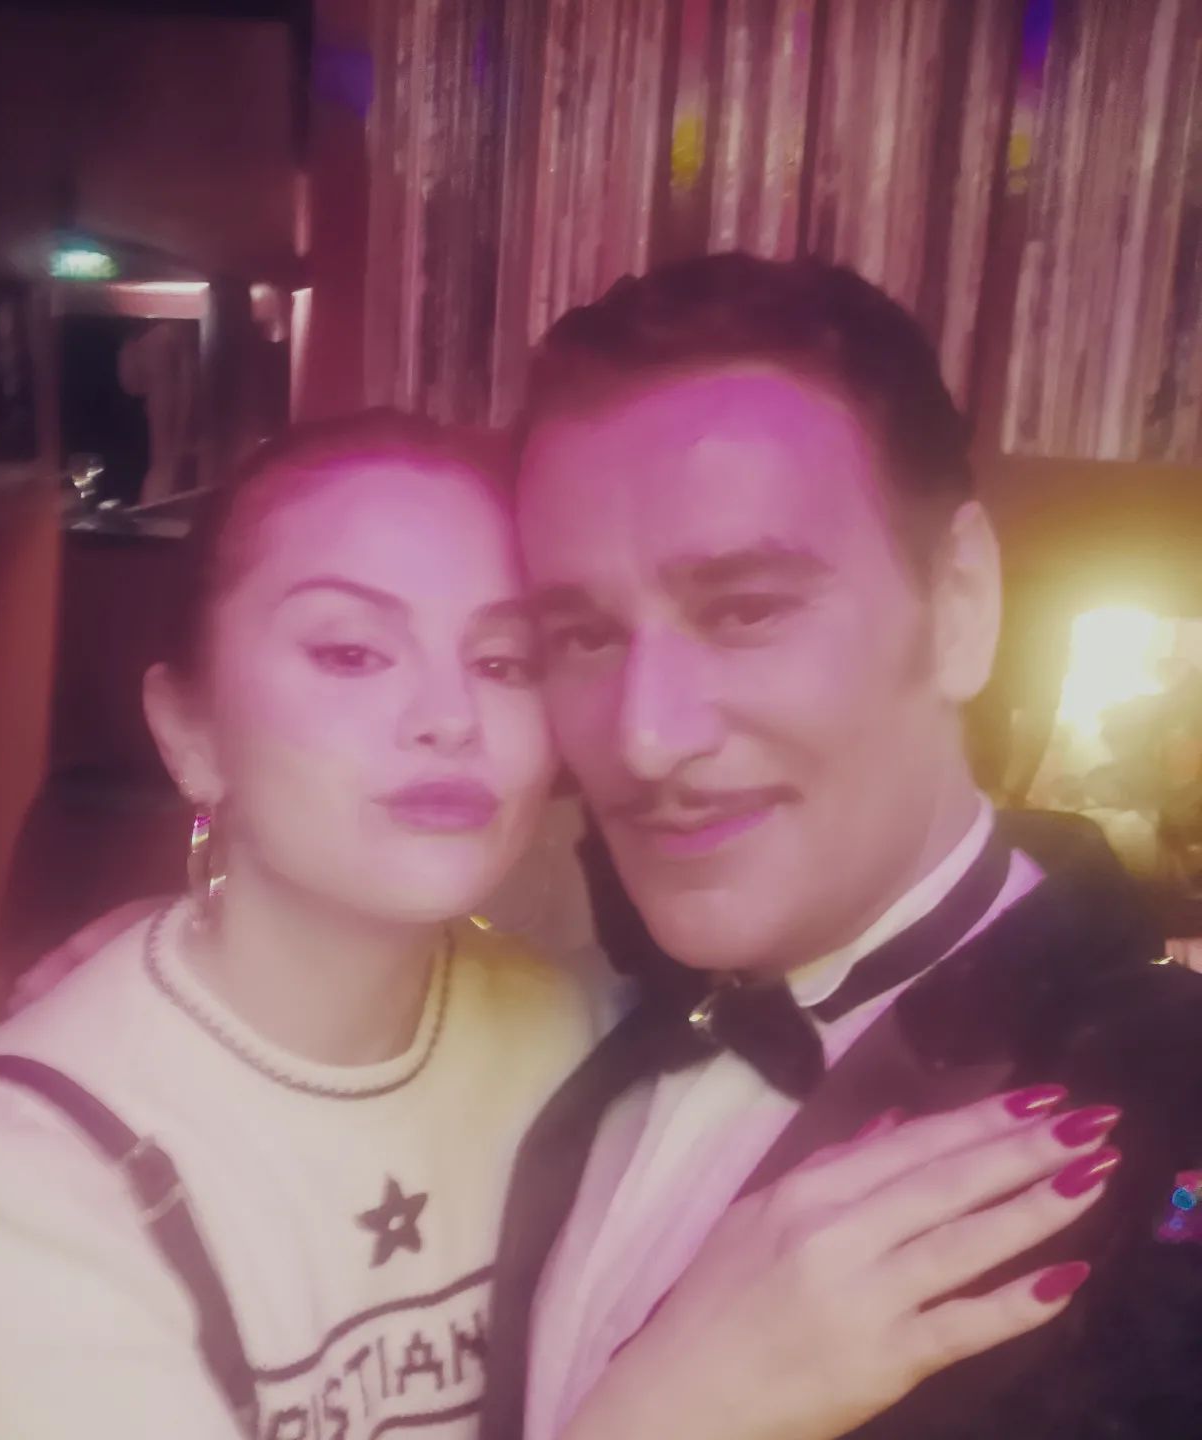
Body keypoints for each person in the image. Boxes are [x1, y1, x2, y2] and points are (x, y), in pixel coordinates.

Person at [0, 412, 1111, 1440]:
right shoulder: (14, 1163)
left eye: (507, 662)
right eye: (352, 653)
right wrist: (677, 1413)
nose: (448, 717)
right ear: (189, 729)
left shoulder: (590, 1023)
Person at [475, 252, 1202, 1440]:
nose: (645, 738)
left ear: (958, 603)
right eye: (585, 635)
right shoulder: (569, 1040)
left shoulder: (1173, 1109)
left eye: (746, 609)